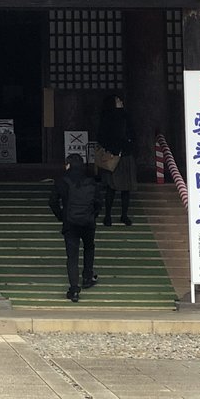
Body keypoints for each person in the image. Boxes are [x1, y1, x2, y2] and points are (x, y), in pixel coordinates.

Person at [48, 153, 100, 301]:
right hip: (88, 221)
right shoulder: (90, 180)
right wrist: (92, 215)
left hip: (70, 222)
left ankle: (74, 289)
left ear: (68, 165)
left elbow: (52, 201)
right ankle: (88, 277)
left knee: (72, 256)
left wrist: (61, 216)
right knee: (89, 247)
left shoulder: (62, 181)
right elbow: (98, 202)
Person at [97, 91, 136, 226]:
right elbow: (102, 136)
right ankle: (111, 215)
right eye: (118, 100)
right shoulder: (109, 117)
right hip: (115, 154)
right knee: (114, 188)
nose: (121, 102)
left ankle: (121, 215)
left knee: (120, 188)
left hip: (121, 154)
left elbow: (132, 133)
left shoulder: (124, 116)